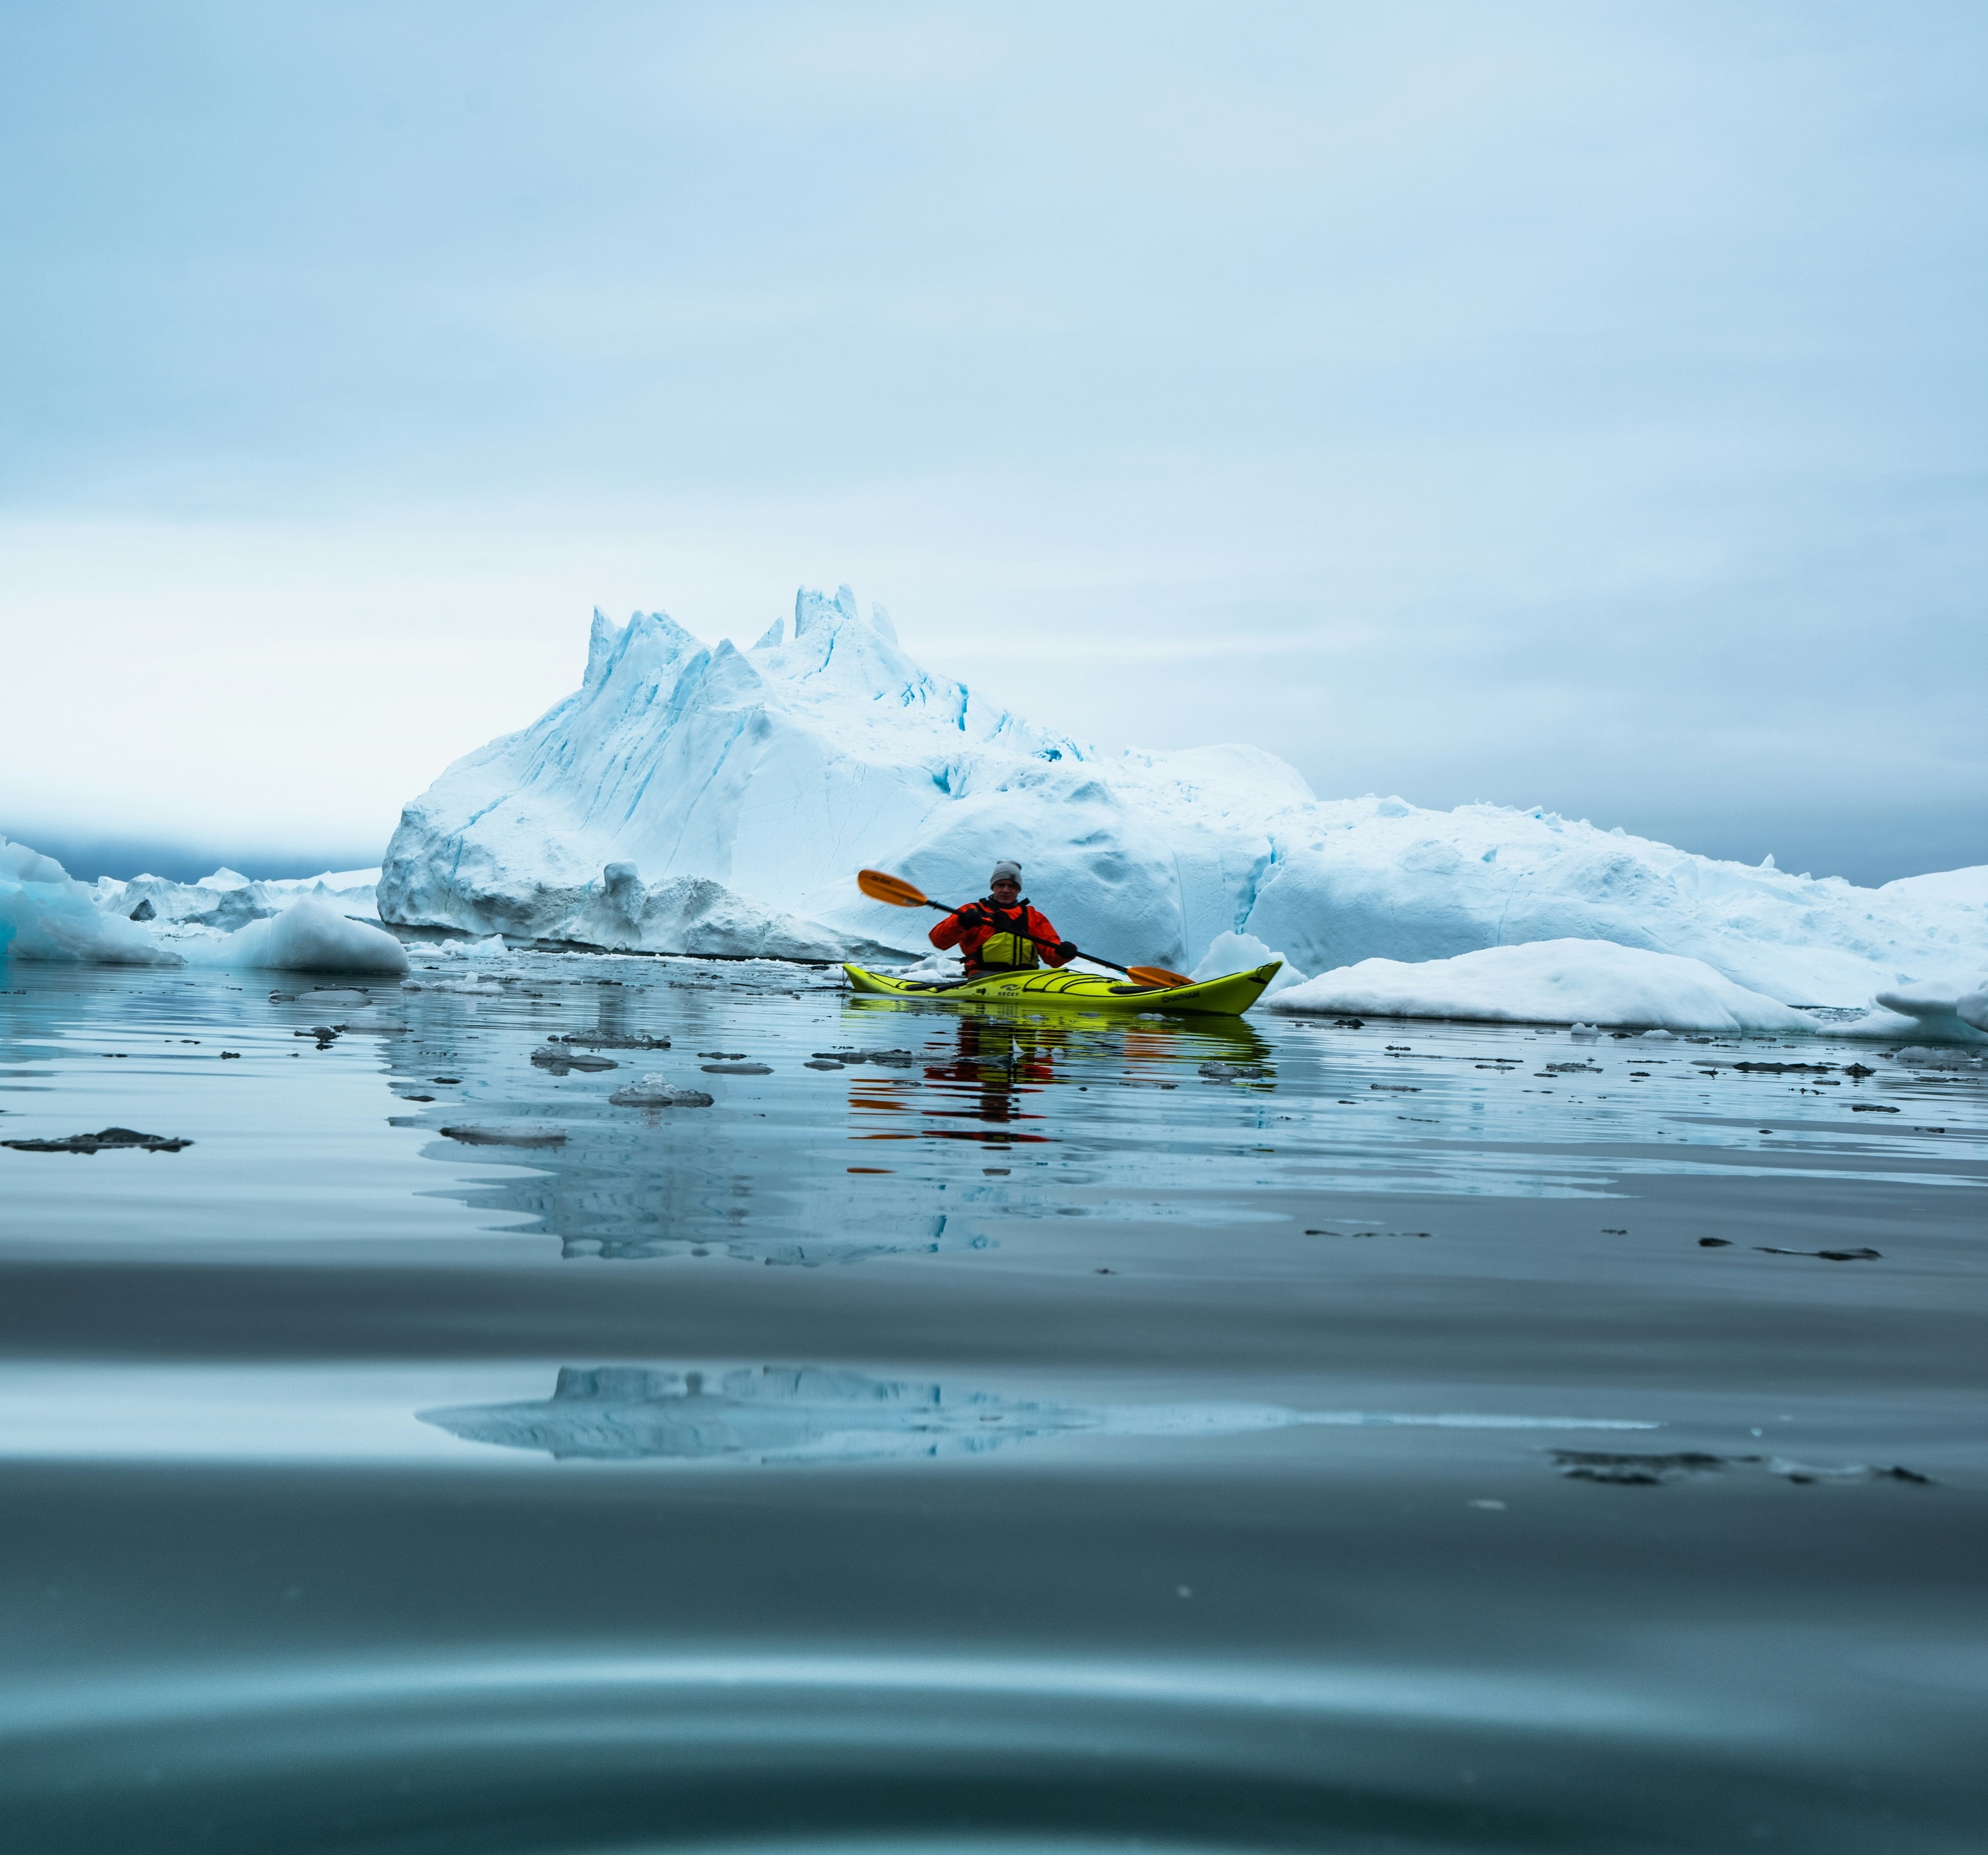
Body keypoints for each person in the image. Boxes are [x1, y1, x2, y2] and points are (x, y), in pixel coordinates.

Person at [928, 861, 1079, 977]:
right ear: (993, 887)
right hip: (984, 978)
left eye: (1012, 886)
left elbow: (1052, 958)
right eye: (1001, 885)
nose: (1006, 890)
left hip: (1025, 978)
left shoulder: (1034, 917)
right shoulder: (972, 912)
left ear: (1018, 889)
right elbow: (939, 940)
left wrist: (1063, 952)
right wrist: (961, 923)